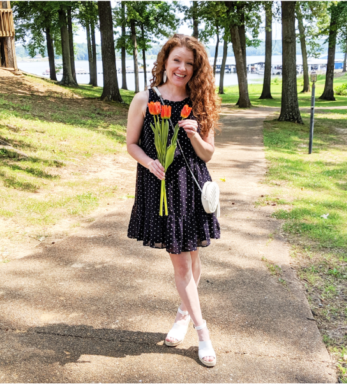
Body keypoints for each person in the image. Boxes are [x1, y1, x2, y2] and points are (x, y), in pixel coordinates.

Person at [125, 34, 221, 367]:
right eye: (176, 60)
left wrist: (195, 133)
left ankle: (182, 312)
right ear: (165, 60)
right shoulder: (143, 99)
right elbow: (131, 144)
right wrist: (148, 161)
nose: (182, 68)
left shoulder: (200, 101)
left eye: (189, 63)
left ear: (196, 69)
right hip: (161, 187)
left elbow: (208, 154)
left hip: (191, 187)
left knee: (192, 257)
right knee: (181, 263)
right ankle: (202, 331)